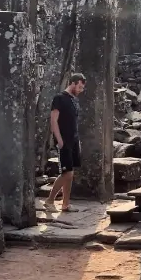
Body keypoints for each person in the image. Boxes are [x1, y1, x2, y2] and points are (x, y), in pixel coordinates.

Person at [44, 73, 86, 212]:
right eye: (79, 87)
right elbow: (53, 121)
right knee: (66, 172)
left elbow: (74, 123)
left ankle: (65, 204)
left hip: (73, 140)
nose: (80, 90)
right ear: (73, 83)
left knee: (71, 173)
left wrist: (77, 141)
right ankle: (50, 201)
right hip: (63, 141)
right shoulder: (59, 98)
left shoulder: (74, 100)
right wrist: (59, 139)